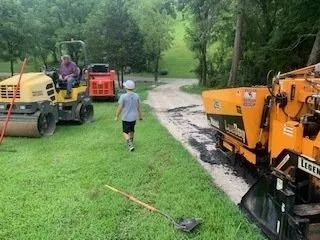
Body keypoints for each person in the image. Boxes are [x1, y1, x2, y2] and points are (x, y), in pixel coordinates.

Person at [115, 80, 143, 152]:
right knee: (132, 130)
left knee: (125, 132)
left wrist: (117, 116)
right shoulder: (136, 96)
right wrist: (140, 116)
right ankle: (131, 142)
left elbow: (120, 107)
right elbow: (138, 107)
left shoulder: (123, 96)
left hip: (126, 118)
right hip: (133, 118)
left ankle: (130, 144)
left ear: (126, 88)